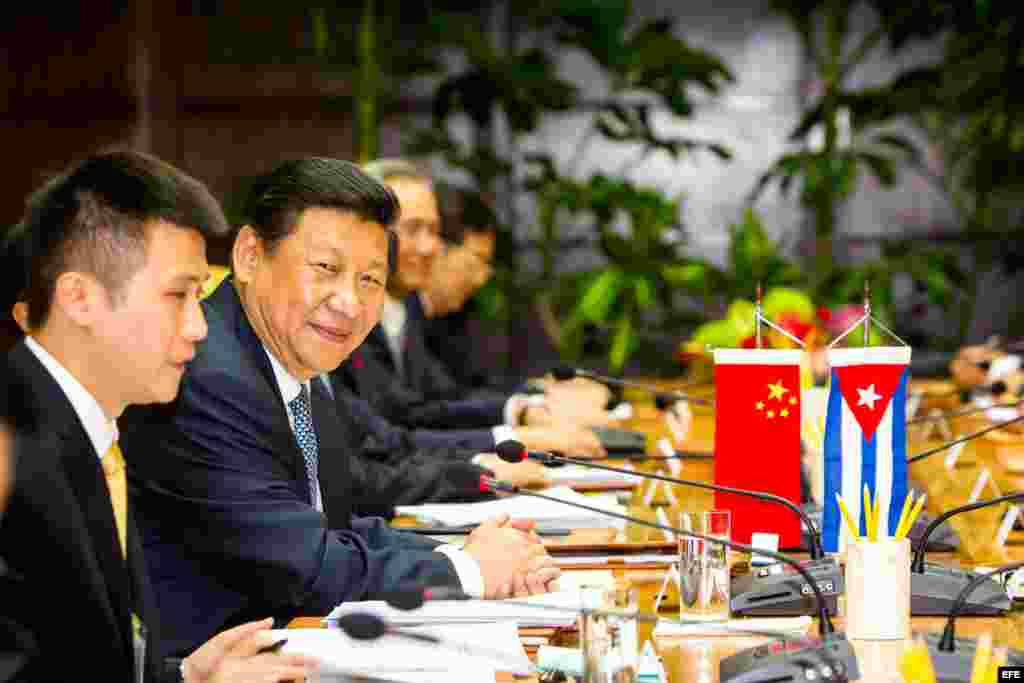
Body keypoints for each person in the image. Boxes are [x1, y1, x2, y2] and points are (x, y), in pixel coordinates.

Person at [120, 157, 560, 658]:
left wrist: (464, 552)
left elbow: (335, 525)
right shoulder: (208, 374)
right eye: (326, 269)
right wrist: (469, 569)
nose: (349, 302)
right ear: (248, 255)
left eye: (370, 280)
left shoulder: (293, 363)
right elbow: (305, 568)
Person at [0, 150, 314, 682]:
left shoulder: (88, 429)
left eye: (200, 296)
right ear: (78, 297)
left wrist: (185, 676)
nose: (199, 327)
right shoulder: (13, 453)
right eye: (177, 296)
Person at [334, 159, 609, 456]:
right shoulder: (342, 320)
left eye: (434, 231)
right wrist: (513, 437)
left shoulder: (401, 310)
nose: (430, 247)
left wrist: (522, 411)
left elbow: (424, 408)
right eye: (413, 230)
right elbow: (386, 440)